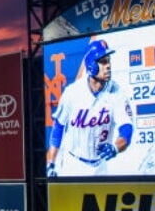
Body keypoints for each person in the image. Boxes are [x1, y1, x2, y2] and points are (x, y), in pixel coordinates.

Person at [46, 39, 133, 177]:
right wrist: (51, 162)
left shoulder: (116, 92)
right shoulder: (72, 92)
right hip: (73, 164)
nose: (108, 66)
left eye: (108, 61)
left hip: (100, 165)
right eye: (103, 61)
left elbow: (127, 127)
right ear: (91, 64)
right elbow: (58, 128)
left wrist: (115, 147)